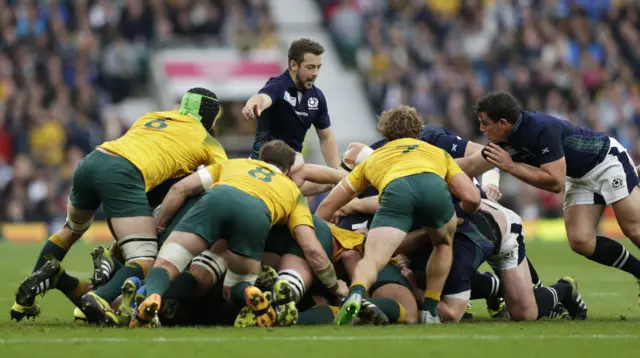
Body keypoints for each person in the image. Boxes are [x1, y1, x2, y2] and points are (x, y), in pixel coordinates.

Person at [10, 88, 228, 322]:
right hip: (123, 173)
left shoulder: (152, 117)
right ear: (210, 116)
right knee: (144, 258)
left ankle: (25, 295)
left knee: (69, 230)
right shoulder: (209, 141)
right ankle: (102, 295)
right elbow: (227, 178)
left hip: (93, 160)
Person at [315, 105, 481, 325]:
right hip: (433, 190)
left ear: (385, 133)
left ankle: (355, 294)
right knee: (443, 244)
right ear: (418, 131)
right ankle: (430, 310)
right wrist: (455, 216)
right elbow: (472, 197)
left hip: (396, 193)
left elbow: (330, 204)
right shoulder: (438, 153)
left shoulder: (373, 158)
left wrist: (312, 234)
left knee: (374, 258)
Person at [472, 92, 640, 304]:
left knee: (634, 230)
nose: (481, 129)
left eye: (484, 123)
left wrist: (511, 166)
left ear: (503, 123)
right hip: (579, 176)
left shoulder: (541, 129)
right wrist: (488, 183)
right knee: (581, 241)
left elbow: (556, 183)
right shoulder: (503, 139)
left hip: (607, 162)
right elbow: (479, 162)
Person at [242, 38, 340, 189]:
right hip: (263, 168)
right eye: (310, 67)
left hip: (291, 172)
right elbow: (263, 98)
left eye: (319, 67)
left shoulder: (317, 97)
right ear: (293, 65)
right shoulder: (278, 86)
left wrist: (336, 170)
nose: (315, 73)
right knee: (307, 167)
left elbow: (326, 136)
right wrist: (253, 104)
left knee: (335, 182)